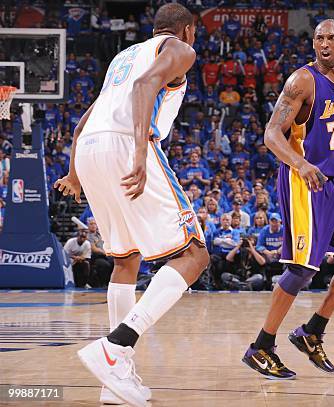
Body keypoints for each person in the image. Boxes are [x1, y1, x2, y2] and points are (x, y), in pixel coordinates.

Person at [53, 5, 210, 406]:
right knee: (194, 254)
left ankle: (114, 379)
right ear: (187, 30)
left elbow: (79, 123)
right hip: (127, 144)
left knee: (126, 259)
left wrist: (74, 173)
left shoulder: (124, 57)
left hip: (90, 149)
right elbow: (145, 89)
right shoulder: (180, 49)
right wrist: (139, 152)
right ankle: (116, 346)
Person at [242, 19, 334, 380]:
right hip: (303, 181)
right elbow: (271, 134)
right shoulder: (301, 81)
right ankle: (261, 346)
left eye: (331, 37)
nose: (324, 43)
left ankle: (312, 332)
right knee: (302, 269)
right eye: (319, 37)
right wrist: (301, 164)